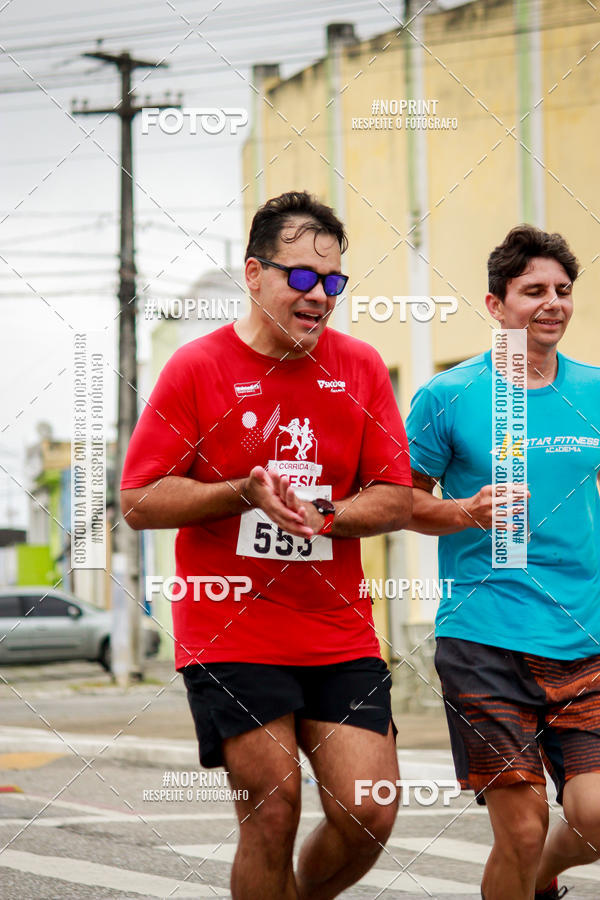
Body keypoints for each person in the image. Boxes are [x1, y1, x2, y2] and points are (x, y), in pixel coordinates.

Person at [121, 190, 413, 900]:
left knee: (369, 807)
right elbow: (138, 499)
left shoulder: (362, 367)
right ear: (253, 274)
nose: (320, 296)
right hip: (229, 628)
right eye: (302, 278)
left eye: (334, 282)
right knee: (272, 810)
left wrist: (329, 515)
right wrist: (240, 493)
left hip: (336, 630)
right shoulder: (197, 367)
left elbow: (396, 495)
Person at [405, 224, 600, 900]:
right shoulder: (446, 396)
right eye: (533, 291)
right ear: (496, 305)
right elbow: (398, 503)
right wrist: (467, 512)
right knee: (519, 831)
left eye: (563, 291)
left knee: (595, 817)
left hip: (584, 637)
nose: (552, 303)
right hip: (483, 635)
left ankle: (538, 882)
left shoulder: (595, 390)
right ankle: (525, 872)